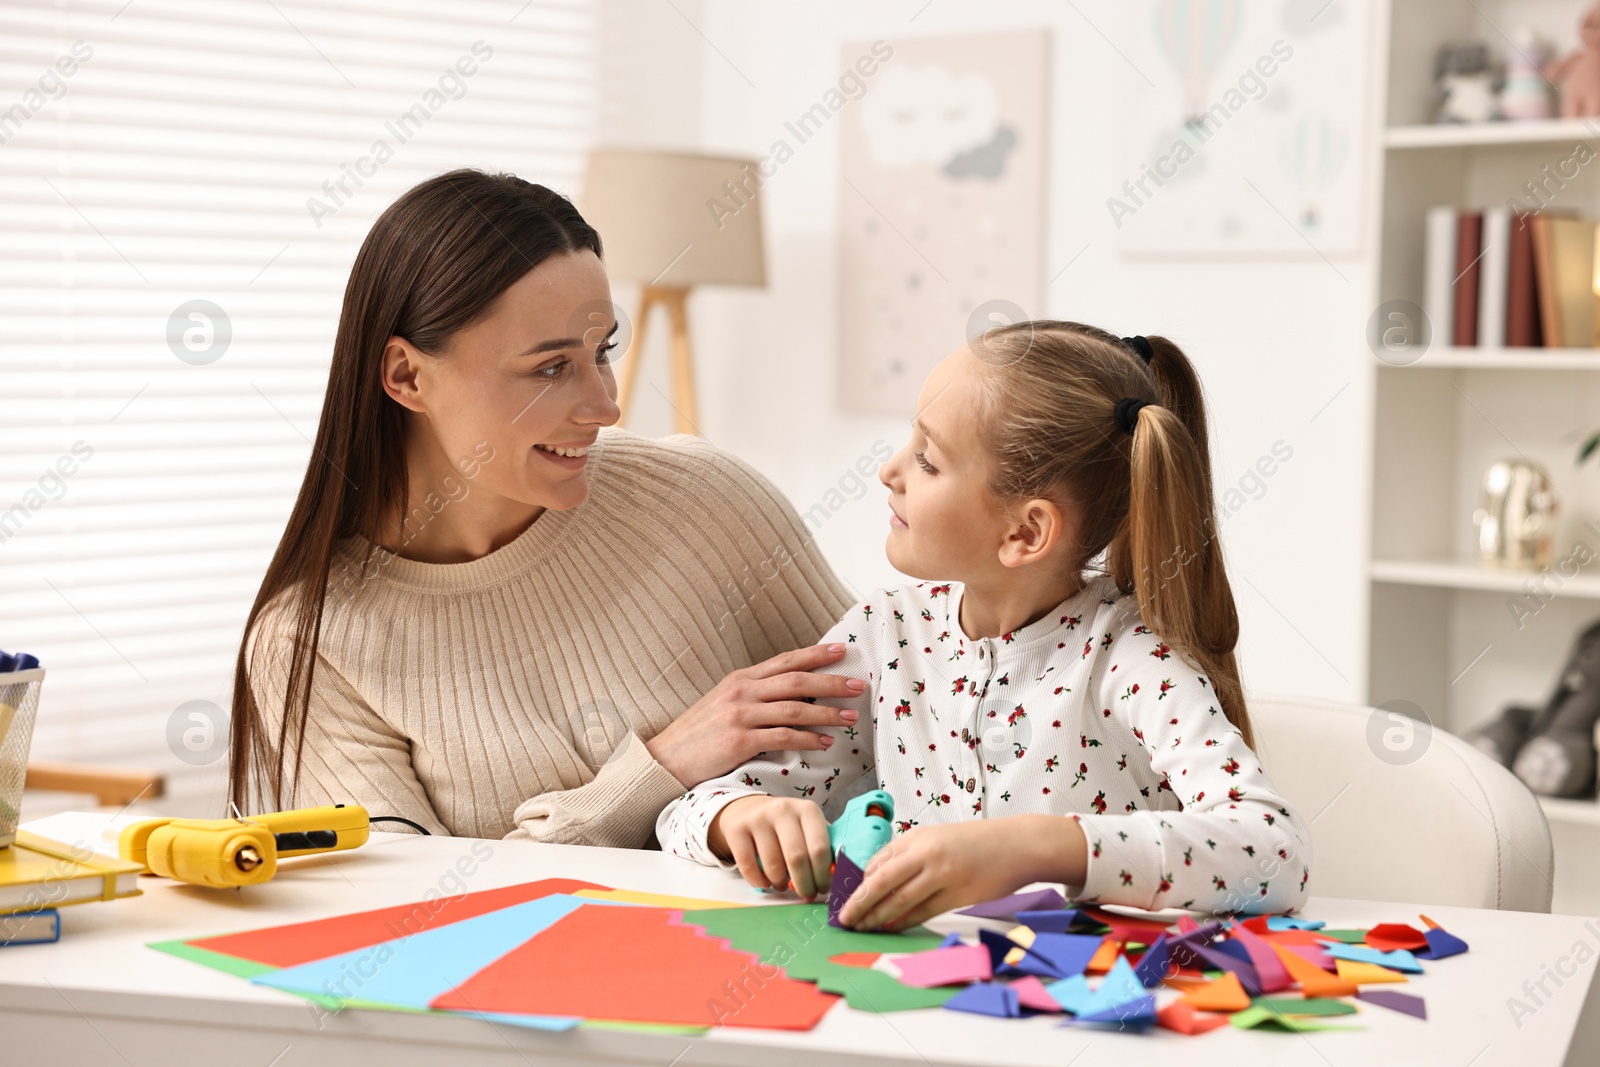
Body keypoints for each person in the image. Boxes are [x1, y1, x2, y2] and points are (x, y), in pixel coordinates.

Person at [230, 169, 862, 845]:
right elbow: (415, 914)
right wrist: (666, 765)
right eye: (551, 367)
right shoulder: (314, 640)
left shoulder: (702, 500)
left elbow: (905, 727)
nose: (605, 405)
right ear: (408, 376)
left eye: (602, 352)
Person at [657, 323, 1313, 926]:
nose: (889, 471)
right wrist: (736, 816)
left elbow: (1275, 851)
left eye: (928, 460)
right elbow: (681, 814)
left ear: (1025, 531)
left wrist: (1035, 847)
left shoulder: (1132, 656)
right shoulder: (880, 635)